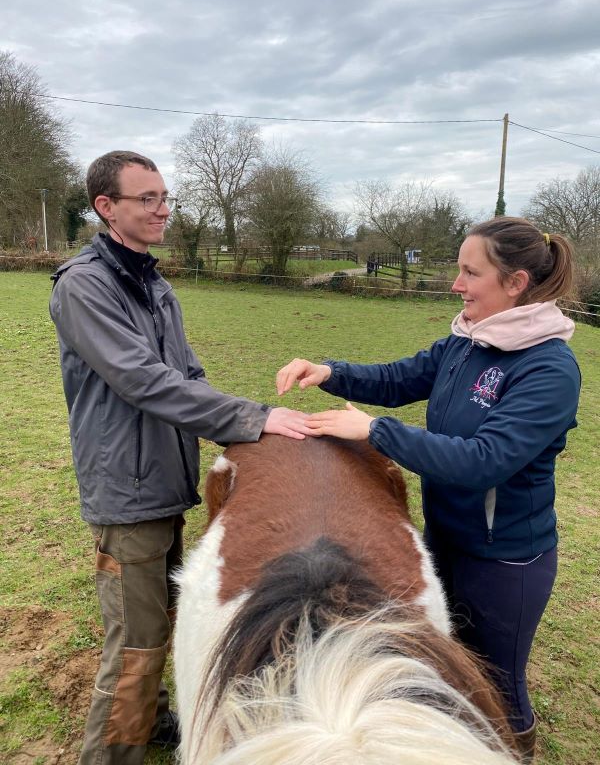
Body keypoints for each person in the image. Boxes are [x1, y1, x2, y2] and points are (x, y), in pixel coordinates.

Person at [276, 217, 581, 762]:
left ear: (515, 284)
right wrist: (328, 371)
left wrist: (374, 431)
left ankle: (517, 750)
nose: (456, 284)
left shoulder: (548, 368)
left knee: (498, 686)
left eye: (470, 272)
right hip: (443, 538)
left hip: (503, 560)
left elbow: (485, 461)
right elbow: (400, 378)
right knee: (444, 661)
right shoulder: (468, 340)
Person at [50, 150, 312, 765]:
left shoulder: (153, 283)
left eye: (165, 196)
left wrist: (249, 434)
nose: (162, 208)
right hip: (127, 490)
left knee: (161, 621)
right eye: (147, 199)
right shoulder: (84, 286)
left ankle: (154, 720)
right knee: (135, 647)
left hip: (167, 479)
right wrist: (254, 418)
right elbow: (141, 379)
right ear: (105, 207)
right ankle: (113, 753)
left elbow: (186, 372)